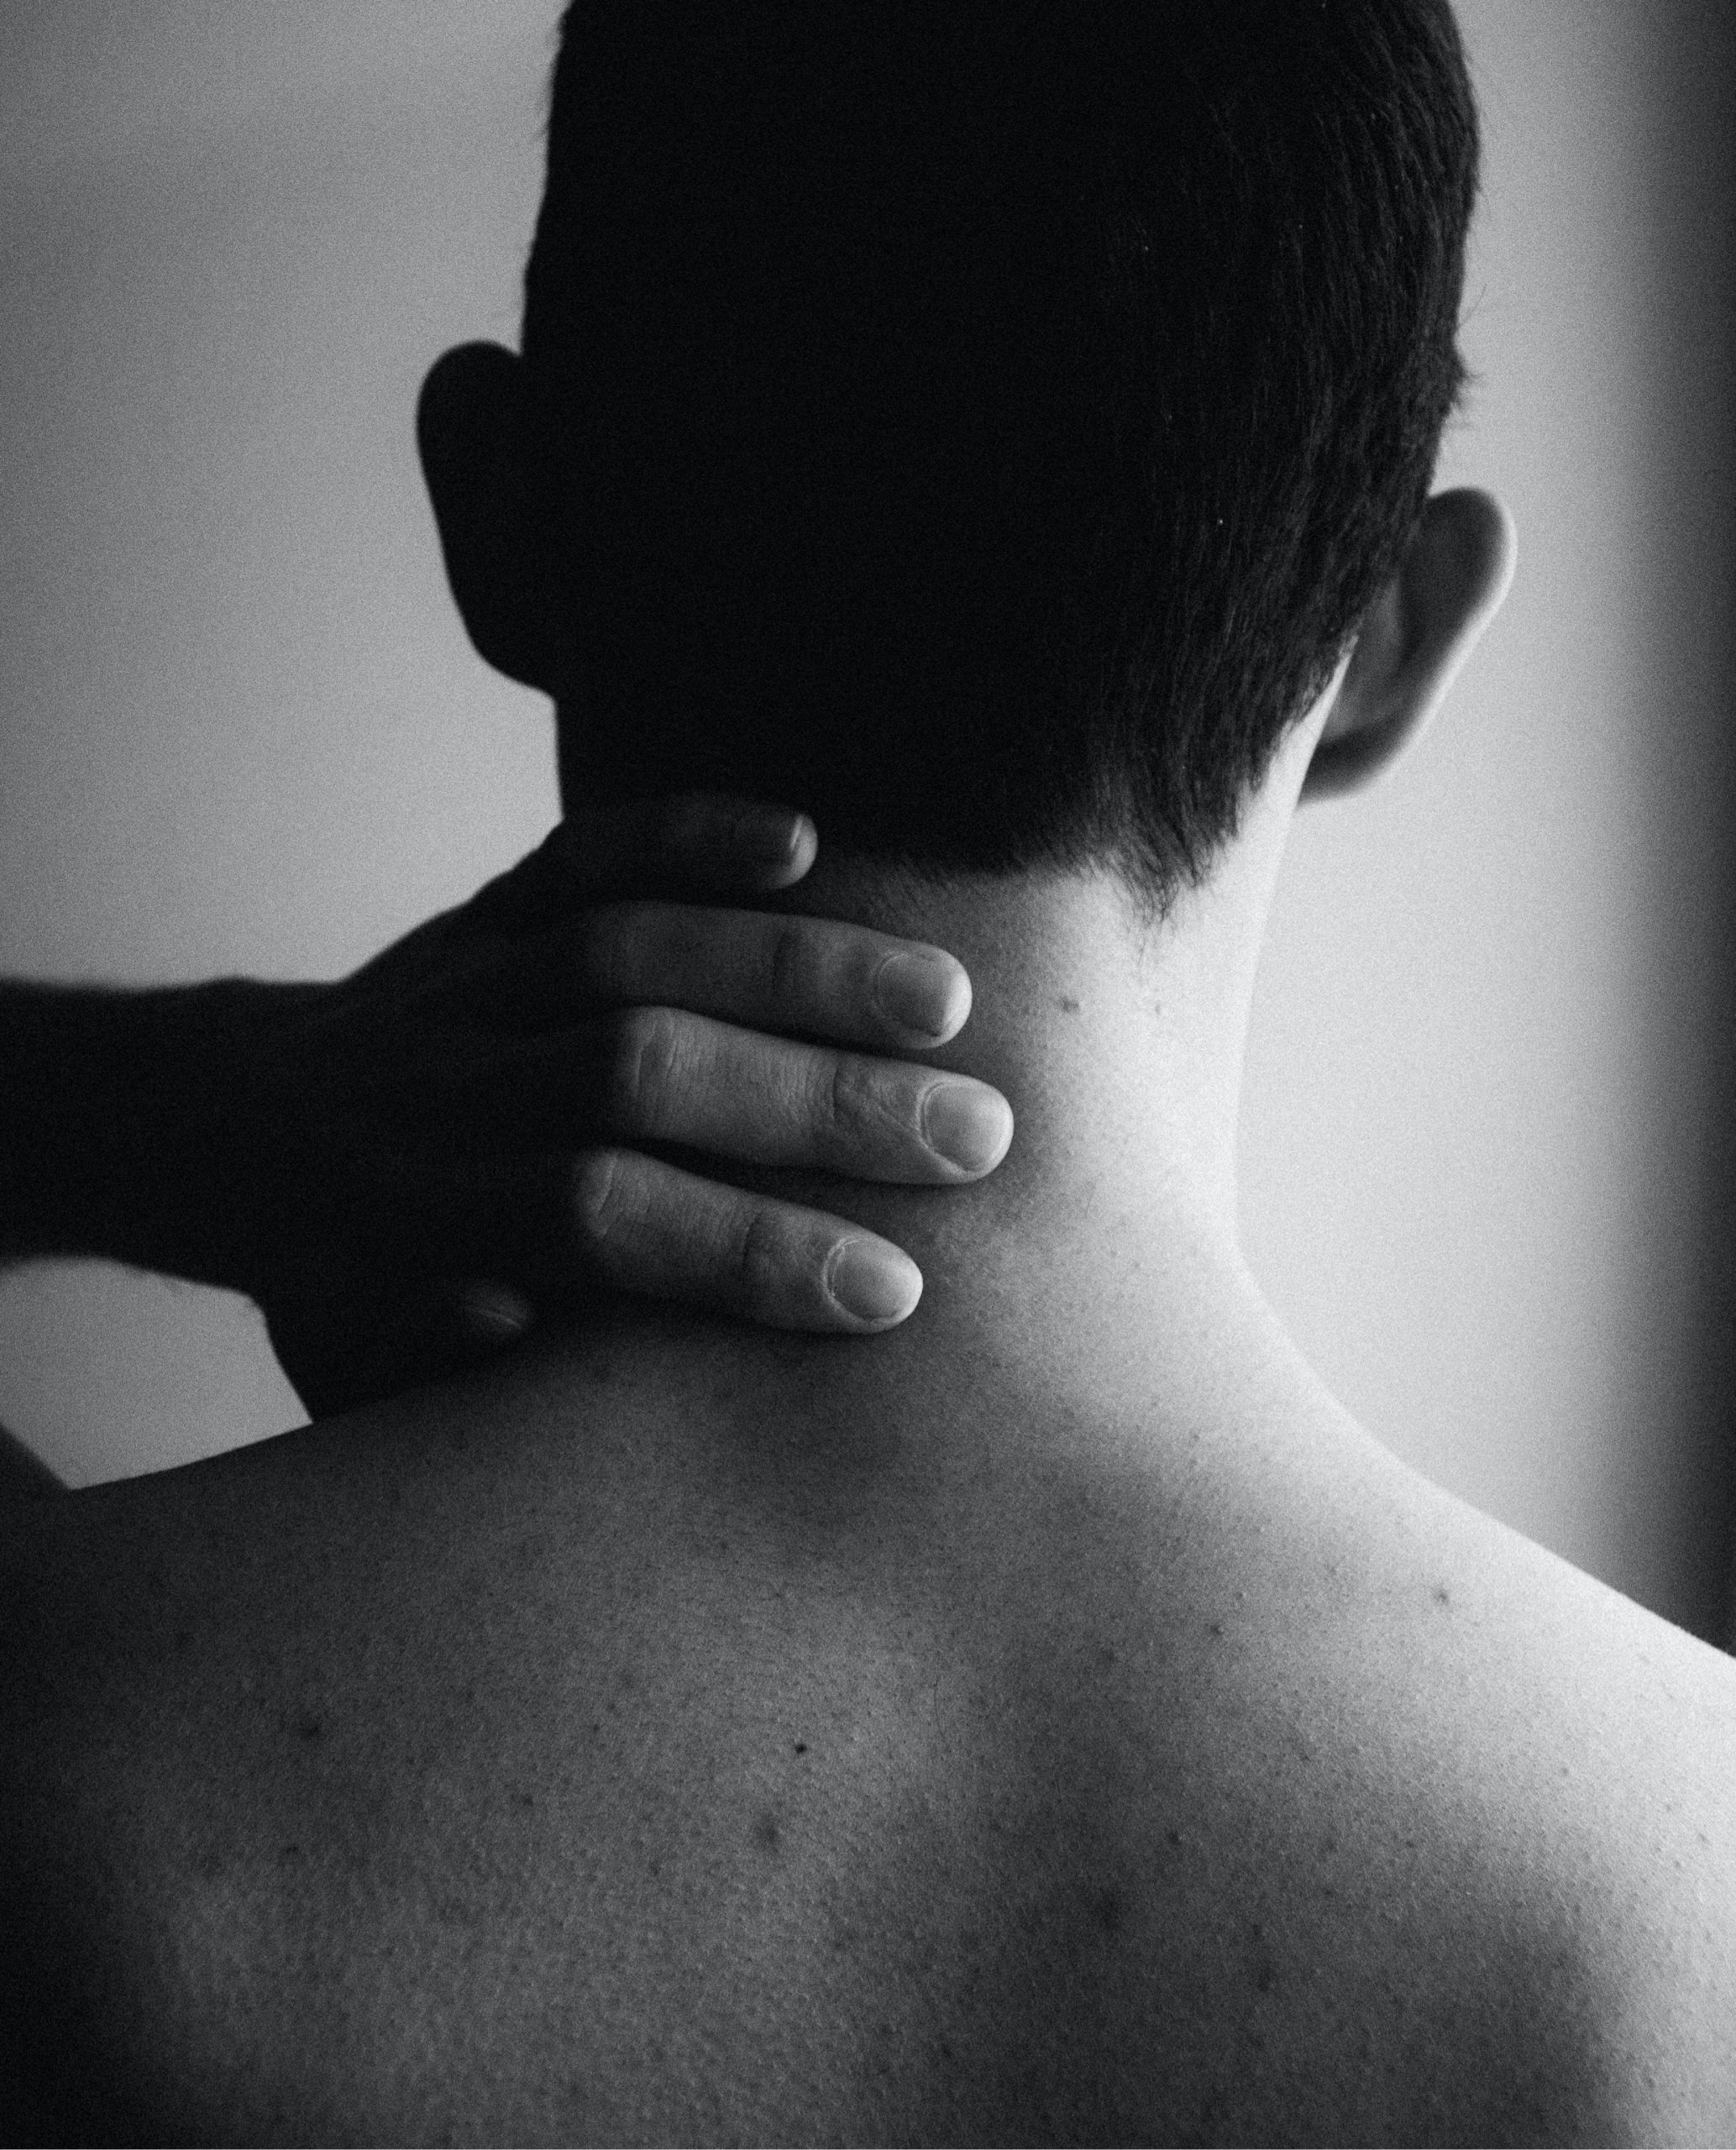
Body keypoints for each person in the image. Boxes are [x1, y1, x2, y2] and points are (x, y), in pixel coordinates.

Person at [3, 3, 1733, 2142]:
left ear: (497, 512)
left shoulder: (62, 1739)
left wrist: (119, 1108)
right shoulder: (1683, 1909)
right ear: (1386, 638)